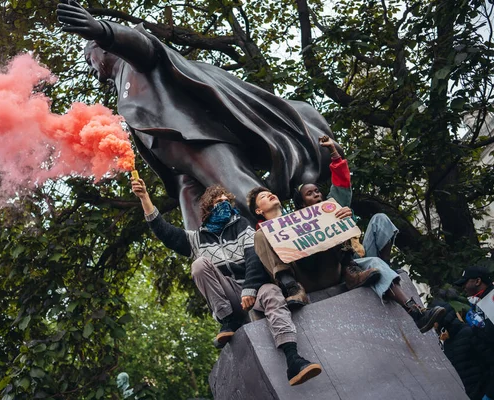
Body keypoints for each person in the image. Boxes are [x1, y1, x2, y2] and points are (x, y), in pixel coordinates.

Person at [57, 0, 337, 230]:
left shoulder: (135, 64)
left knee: (246, 196)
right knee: (198, 237)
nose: (92, 71)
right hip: (180, 170)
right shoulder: (122, 86)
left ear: (102, 50)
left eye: (88, 59)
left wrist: (102, 31)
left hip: (197, 140)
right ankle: (233, 284)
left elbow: (144, 46)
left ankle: (299, 259)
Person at [131, 178, 322, 385]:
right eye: (218, 202)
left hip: (254, 291)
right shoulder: (196, 239)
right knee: (199, 265)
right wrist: (144, 197)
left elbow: (253, 259)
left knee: (272, 293)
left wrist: (250, 288)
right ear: (208, 210)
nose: (224, 205)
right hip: (230, 298)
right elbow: (164, 231)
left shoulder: (242, 226)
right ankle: (228, 321)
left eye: (226, 202)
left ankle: (293, 358)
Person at [247, 137, 445, 333]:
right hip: (302, 277)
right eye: (264, 196)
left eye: (318, 191)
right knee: (262, 235)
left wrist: (343, 216)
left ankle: (416, 312)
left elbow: (341, 189)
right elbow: (256, 269)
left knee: (349, 228)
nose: (317, 195)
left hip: (336, 267)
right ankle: (292, 287)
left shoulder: (327, 209)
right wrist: (251, 291)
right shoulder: (262, 234)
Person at [451, 265, 494, 400]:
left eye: (466, 282)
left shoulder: (491, 300)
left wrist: (478, 328)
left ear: (477, 281)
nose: (463, 287)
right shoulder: (479, 303)